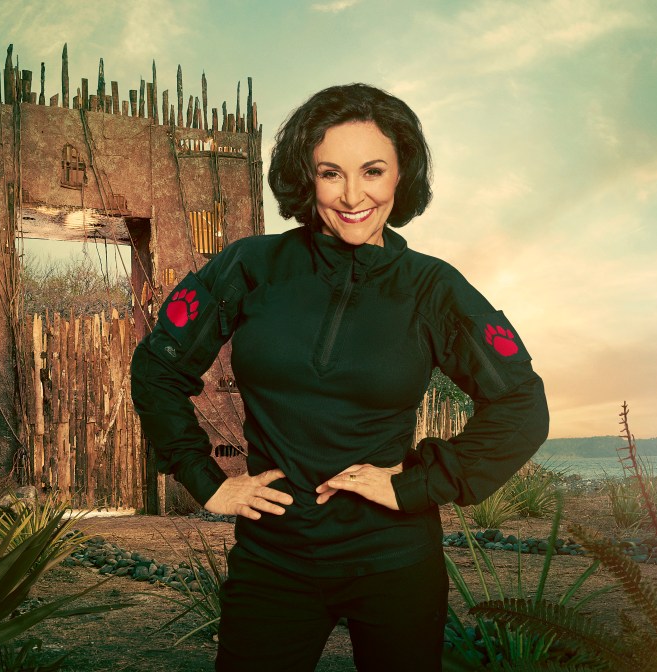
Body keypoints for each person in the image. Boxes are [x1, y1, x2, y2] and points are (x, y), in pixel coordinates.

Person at [131, 83, 549, 671]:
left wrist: (411, 484)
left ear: (402, 176)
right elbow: (157, 366)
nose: (354, 195)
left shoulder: (432, 288)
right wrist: (207, 480)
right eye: (332, 173)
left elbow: (522, 406)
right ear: (307, 177)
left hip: (394, 559)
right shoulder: (252, 266)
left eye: (373, 171)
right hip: (274, 558)